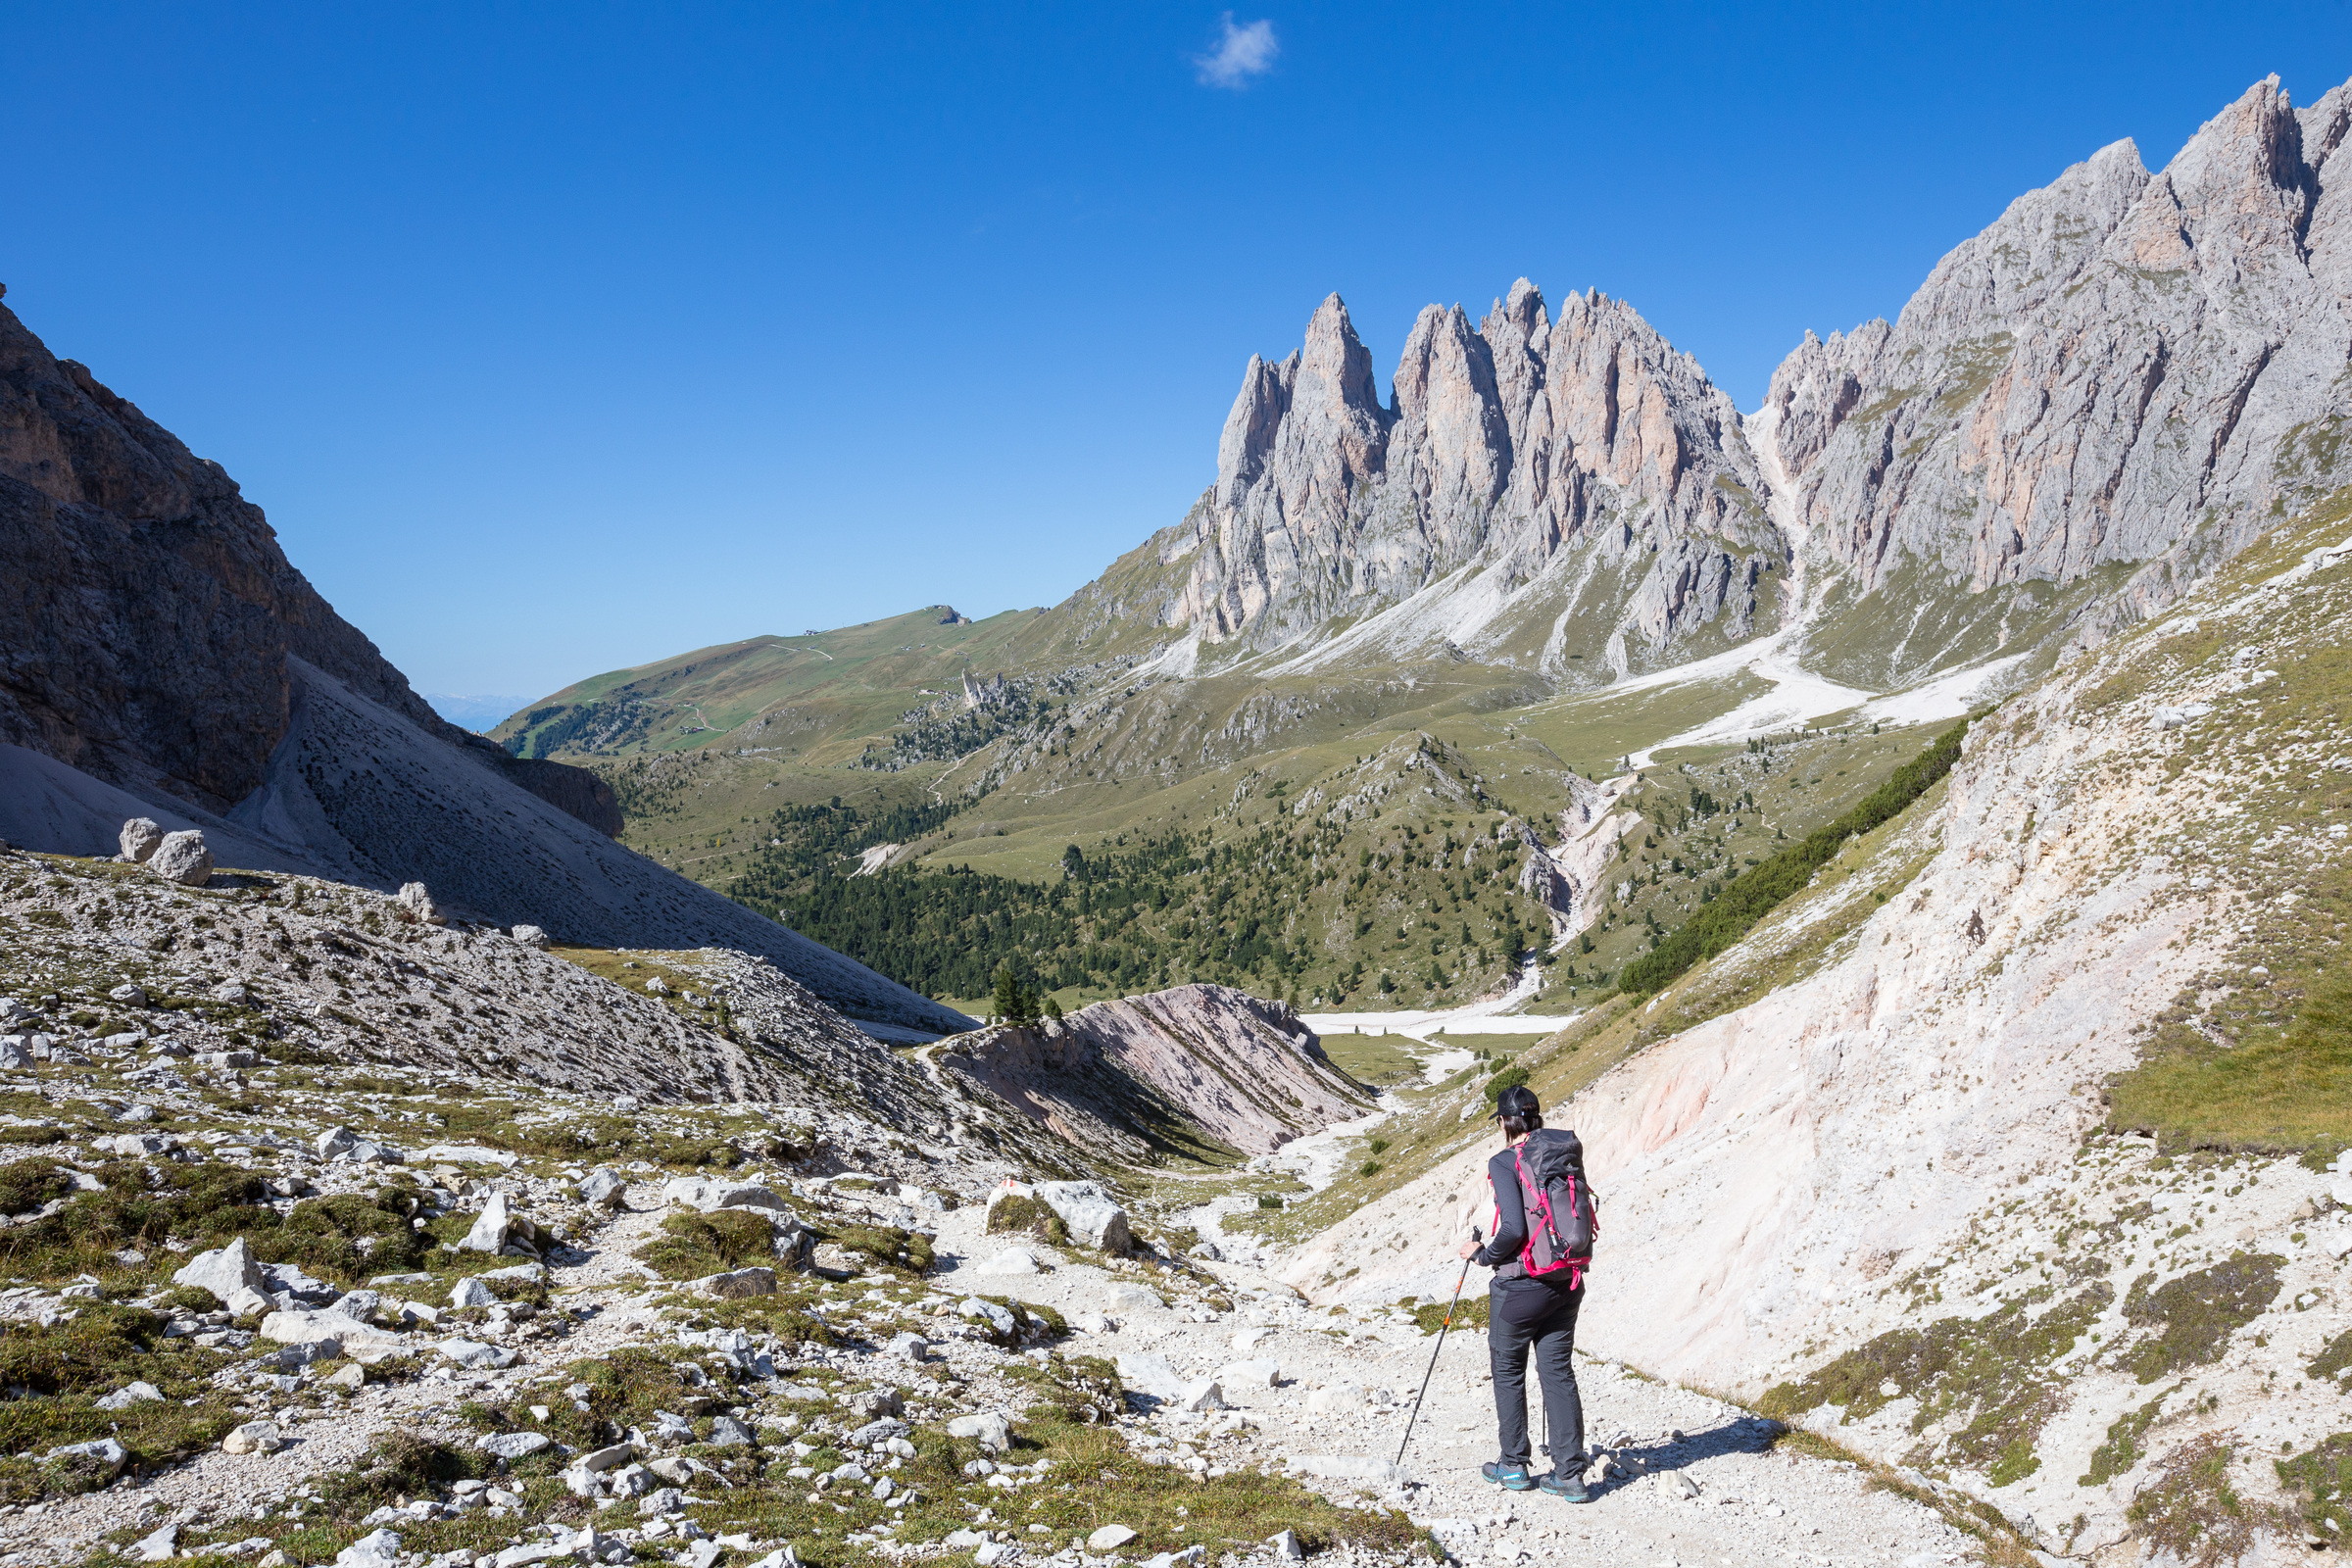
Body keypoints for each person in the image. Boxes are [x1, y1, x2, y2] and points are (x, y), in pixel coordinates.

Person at [1458, 1083, 1591, 1501]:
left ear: (1504, 1122)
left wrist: (1483, 1254)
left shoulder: (1504, 1160)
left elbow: (1513, 1228)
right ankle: (1570, 1475)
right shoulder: (1562, 1150)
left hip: (1520, 1287)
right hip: (1566, 1281)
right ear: (1536, 1116)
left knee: (1508, 1371)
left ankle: (1514, 1465)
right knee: (1557, 1372)